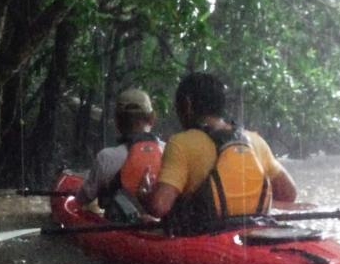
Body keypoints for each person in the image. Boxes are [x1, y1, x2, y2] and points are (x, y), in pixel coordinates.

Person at [145, 72, 296, 229]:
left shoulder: (181, 143)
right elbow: (289, 194)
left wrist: (146, 196)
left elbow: (159, 206)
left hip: (203, 237)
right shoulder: (255, 141)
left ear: (187, 105)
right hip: (254, 234)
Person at [75, 87, 164, 223]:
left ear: (117, 121)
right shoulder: (169, 151)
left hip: (117, 230)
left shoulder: (106, 157)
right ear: (152, 118)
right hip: (159, 230)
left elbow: (82, 200)